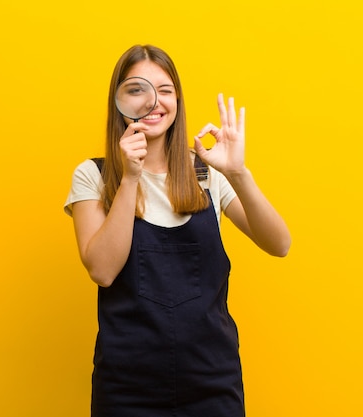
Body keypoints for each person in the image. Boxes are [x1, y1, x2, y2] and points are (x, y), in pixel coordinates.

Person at [64, 44, 291, 417]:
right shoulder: (94, 175)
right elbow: (102, 271)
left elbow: (279, 244)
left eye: (165, 90)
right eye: (138, 89)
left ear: (178, 100)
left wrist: (238, 173)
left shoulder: (207, 172)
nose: (153, 101)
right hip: (126, 390)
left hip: (212, 383)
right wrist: (130, 178)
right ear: (119, 100)